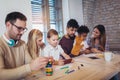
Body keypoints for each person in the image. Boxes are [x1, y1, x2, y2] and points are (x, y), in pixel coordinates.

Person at [0, 12, 49, 80]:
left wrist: (42, 62)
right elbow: (1, 75)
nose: (22, 32)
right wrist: (30, 67)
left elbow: (30, 62)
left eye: (24, 29)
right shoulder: (1, 45)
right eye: (19, 28)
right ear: (8, 25)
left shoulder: (22, 44)